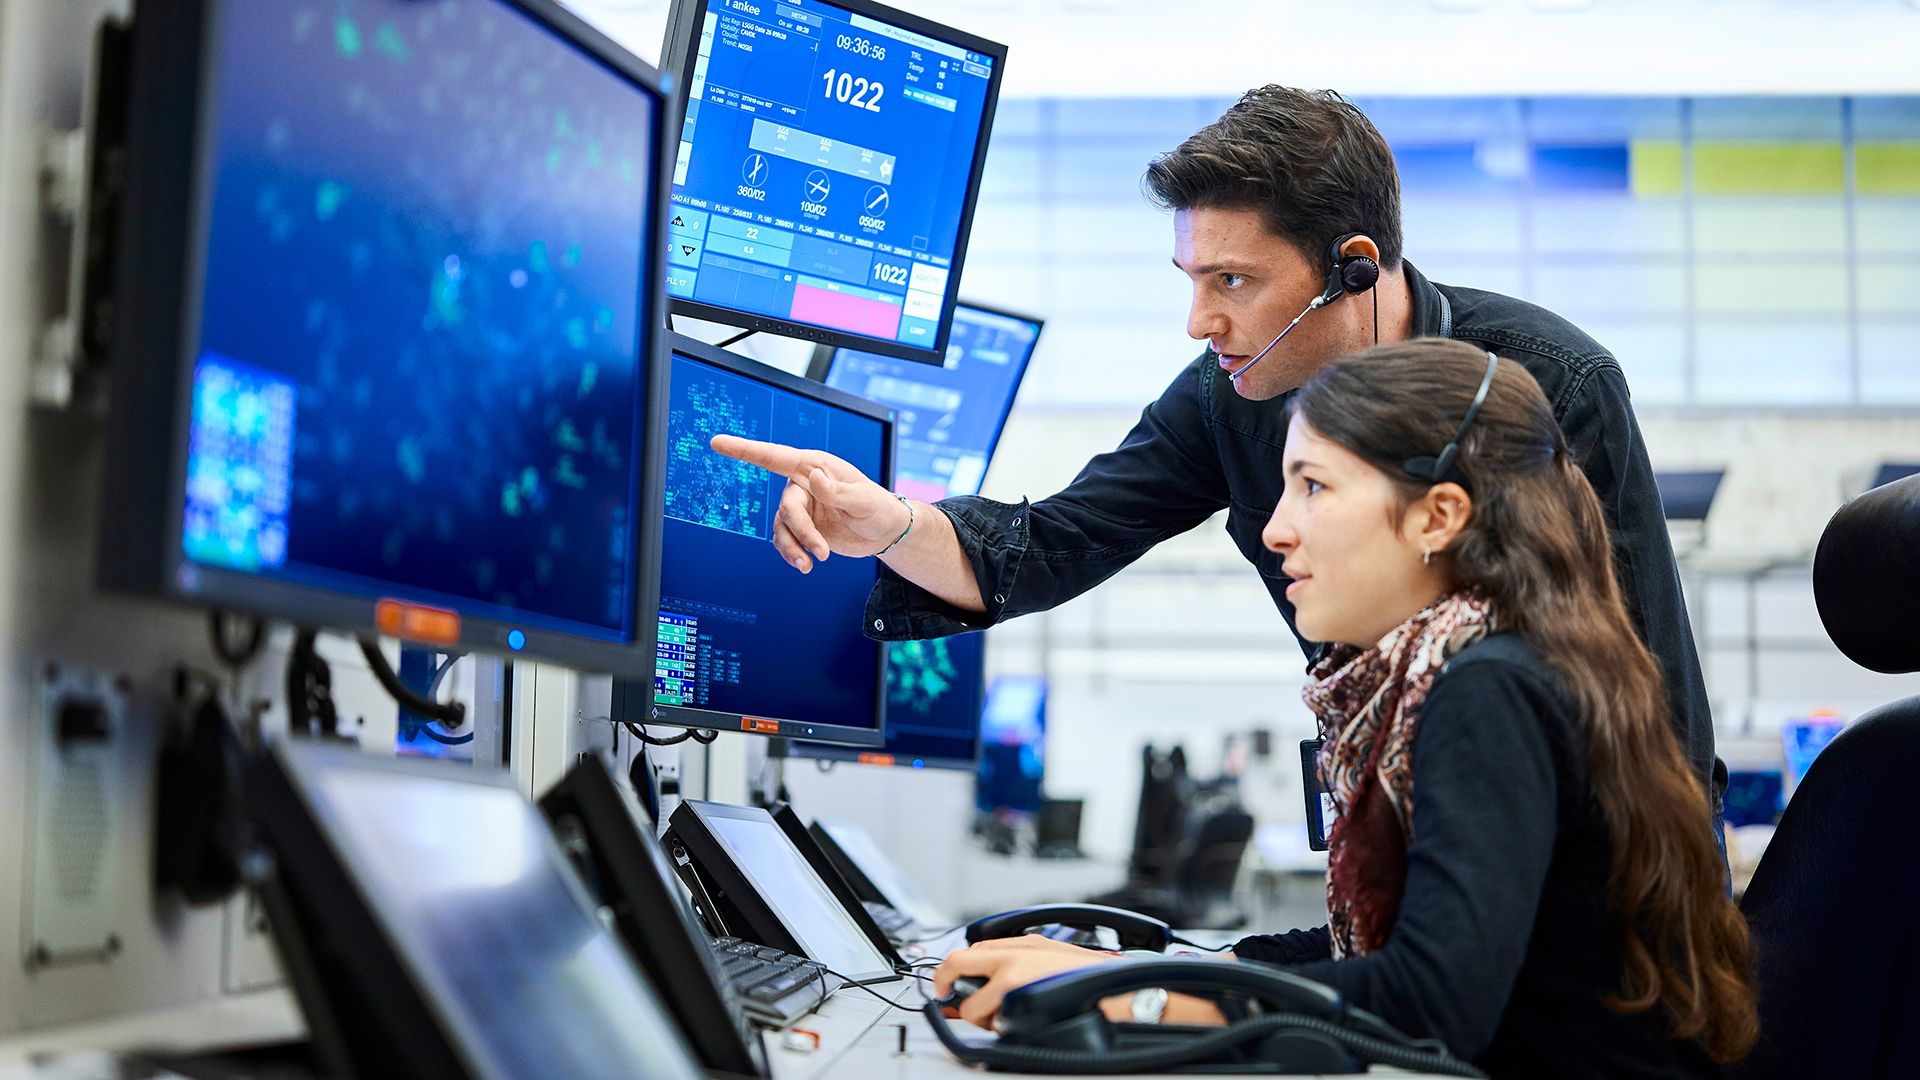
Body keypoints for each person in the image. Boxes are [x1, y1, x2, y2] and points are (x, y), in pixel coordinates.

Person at [712, 85, 1724, 838]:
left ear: (1353, 266)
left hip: (1566, 889)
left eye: (1232, 280)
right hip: (1383, 854)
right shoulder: (1228, 395)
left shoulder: (1552, 385)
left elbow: (1649, 714)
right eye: (1192, 279)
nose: (1202, 322)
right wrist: (888, 523)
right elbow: (1050, 545)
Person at [928, 341, 1757, 1079]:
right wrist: (1160, 965)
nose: (1275, 532)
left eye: (1313, 487)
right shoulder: (1501, 665)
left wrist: (1128, 996)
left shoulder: (1488, 688)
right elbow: (1387, 949)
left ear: (1439, 516)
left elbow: (1430, 998)